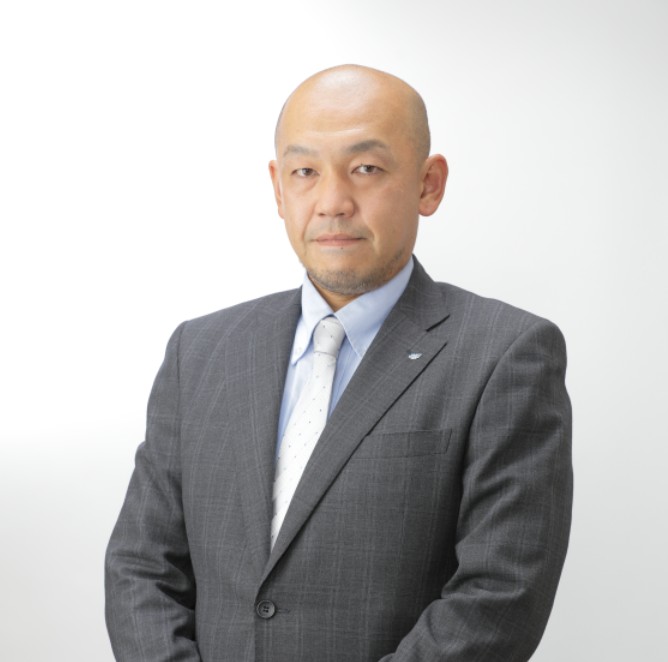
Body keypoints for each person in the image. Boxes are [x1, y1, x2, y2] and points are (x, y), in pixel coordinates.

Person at [105, 64, 573, 661]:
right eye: (305, 172)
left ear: (428, 184)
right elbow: (141, 567)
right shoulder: (199, 352)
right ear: (278, 188)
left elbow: (500, 596)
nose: (332, 203)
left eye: (366, 169)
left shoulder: (506, 354)